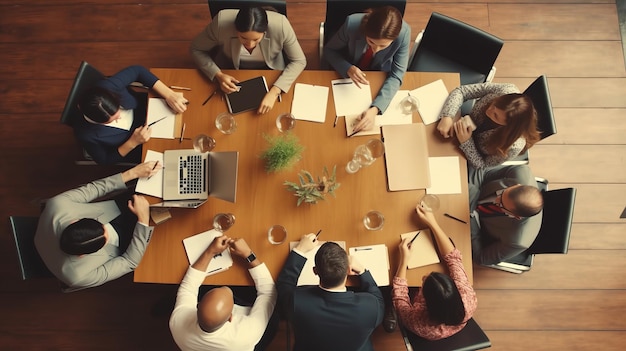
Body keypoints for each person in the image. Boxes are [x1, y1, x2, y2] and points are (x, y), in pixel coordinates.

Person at [34, 161, 161, 292]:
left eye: (102, 227)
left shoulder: (57, 205)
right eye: (105, 239)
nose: (107, 231)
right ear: (82, 256)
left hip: (115, 212)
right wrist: (143, 220)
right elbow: (129, 263)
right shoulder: (77, 277)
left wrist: (133, 172)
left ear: (75, 221)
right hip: (125, 244)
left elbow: (95, 189)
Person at [276, 234, 384, 351]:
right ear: (348, 270)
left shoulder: (297, 302)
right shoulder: (371, 307)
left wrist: (300, 249)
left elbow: (284, 285)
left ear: (315, 271)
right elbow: (377, 297)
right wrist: (362, 271)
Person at [190, 7, 306, 114]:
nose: (250, 45)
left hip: (271, 71)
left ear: (265, 32)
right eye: (243, 38)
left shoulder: (281, 25)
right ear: (236, 30)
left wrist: (275, 91)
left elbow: (299, 61)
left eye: (256, 39)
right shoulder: (220, 23)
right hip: (231, 70)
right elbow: (196, 49)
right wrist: (218, 74)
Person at [169, 235, 277, 351]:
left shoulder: (177, 323)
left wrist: (210, 251)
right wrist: (248, 254)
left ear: (198, 305)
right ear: (231, 317)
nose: (225, 287)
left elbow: (188, 288)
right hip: (241, 342)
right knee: (274, 318)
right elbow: (269, 293)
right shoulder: (246, 334)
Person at [392, 204, 477, 340]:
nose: (425, 276)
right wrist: (432, 223)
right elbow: (454, 259)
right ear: (455, 287)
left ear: (423, 301)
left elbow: (400, 298)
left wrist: (404, 260)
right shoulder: (467, 298)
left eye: (423, 284)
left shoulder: (417, 322)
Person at [76, 65, 188, 165]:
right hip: (143, 144)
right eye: (112, 120)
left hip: (153, 107)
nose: (119, 117)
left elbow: (138, 70)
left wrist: (169, 95)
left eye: (118, 111)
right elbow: (105, 159)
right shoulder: (86, 135)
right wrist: (132, 143)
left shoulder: (108, 86)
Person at [323, 6, 410, 133]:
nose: (376, 49)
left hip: (379, 74)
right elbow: (329, 50)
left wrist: (375, 109)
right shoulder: (352, 24)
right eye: (371, 42)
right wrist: (347, 68)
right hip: (349, 69)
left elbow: (397, 74)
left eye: (383, 45)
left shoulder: (404, 34)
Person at [436, 82, 541, 168]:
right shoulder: (505, 90)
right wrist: (447, 116)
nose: (488, 111)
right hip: (458, 125)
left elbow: (483, 164)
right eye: (493, 104)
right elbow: (462, 91)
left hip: (465, 154)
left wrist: (467, 142)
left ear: (507, 125)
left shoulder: (513, 146)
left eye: (495, 116)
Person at [468, 164, 544, 265]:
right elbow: (484, 170)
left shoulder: (517, 241)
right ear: (517, 185)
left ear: (516, 217)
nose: (496, 199)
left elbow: (481, 258)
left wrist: (471, 217)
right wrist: (469, 191)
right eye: (502, 193)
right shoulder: (520, 172)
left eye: (501, 204)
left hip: (472, 227)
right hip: (473, 193)